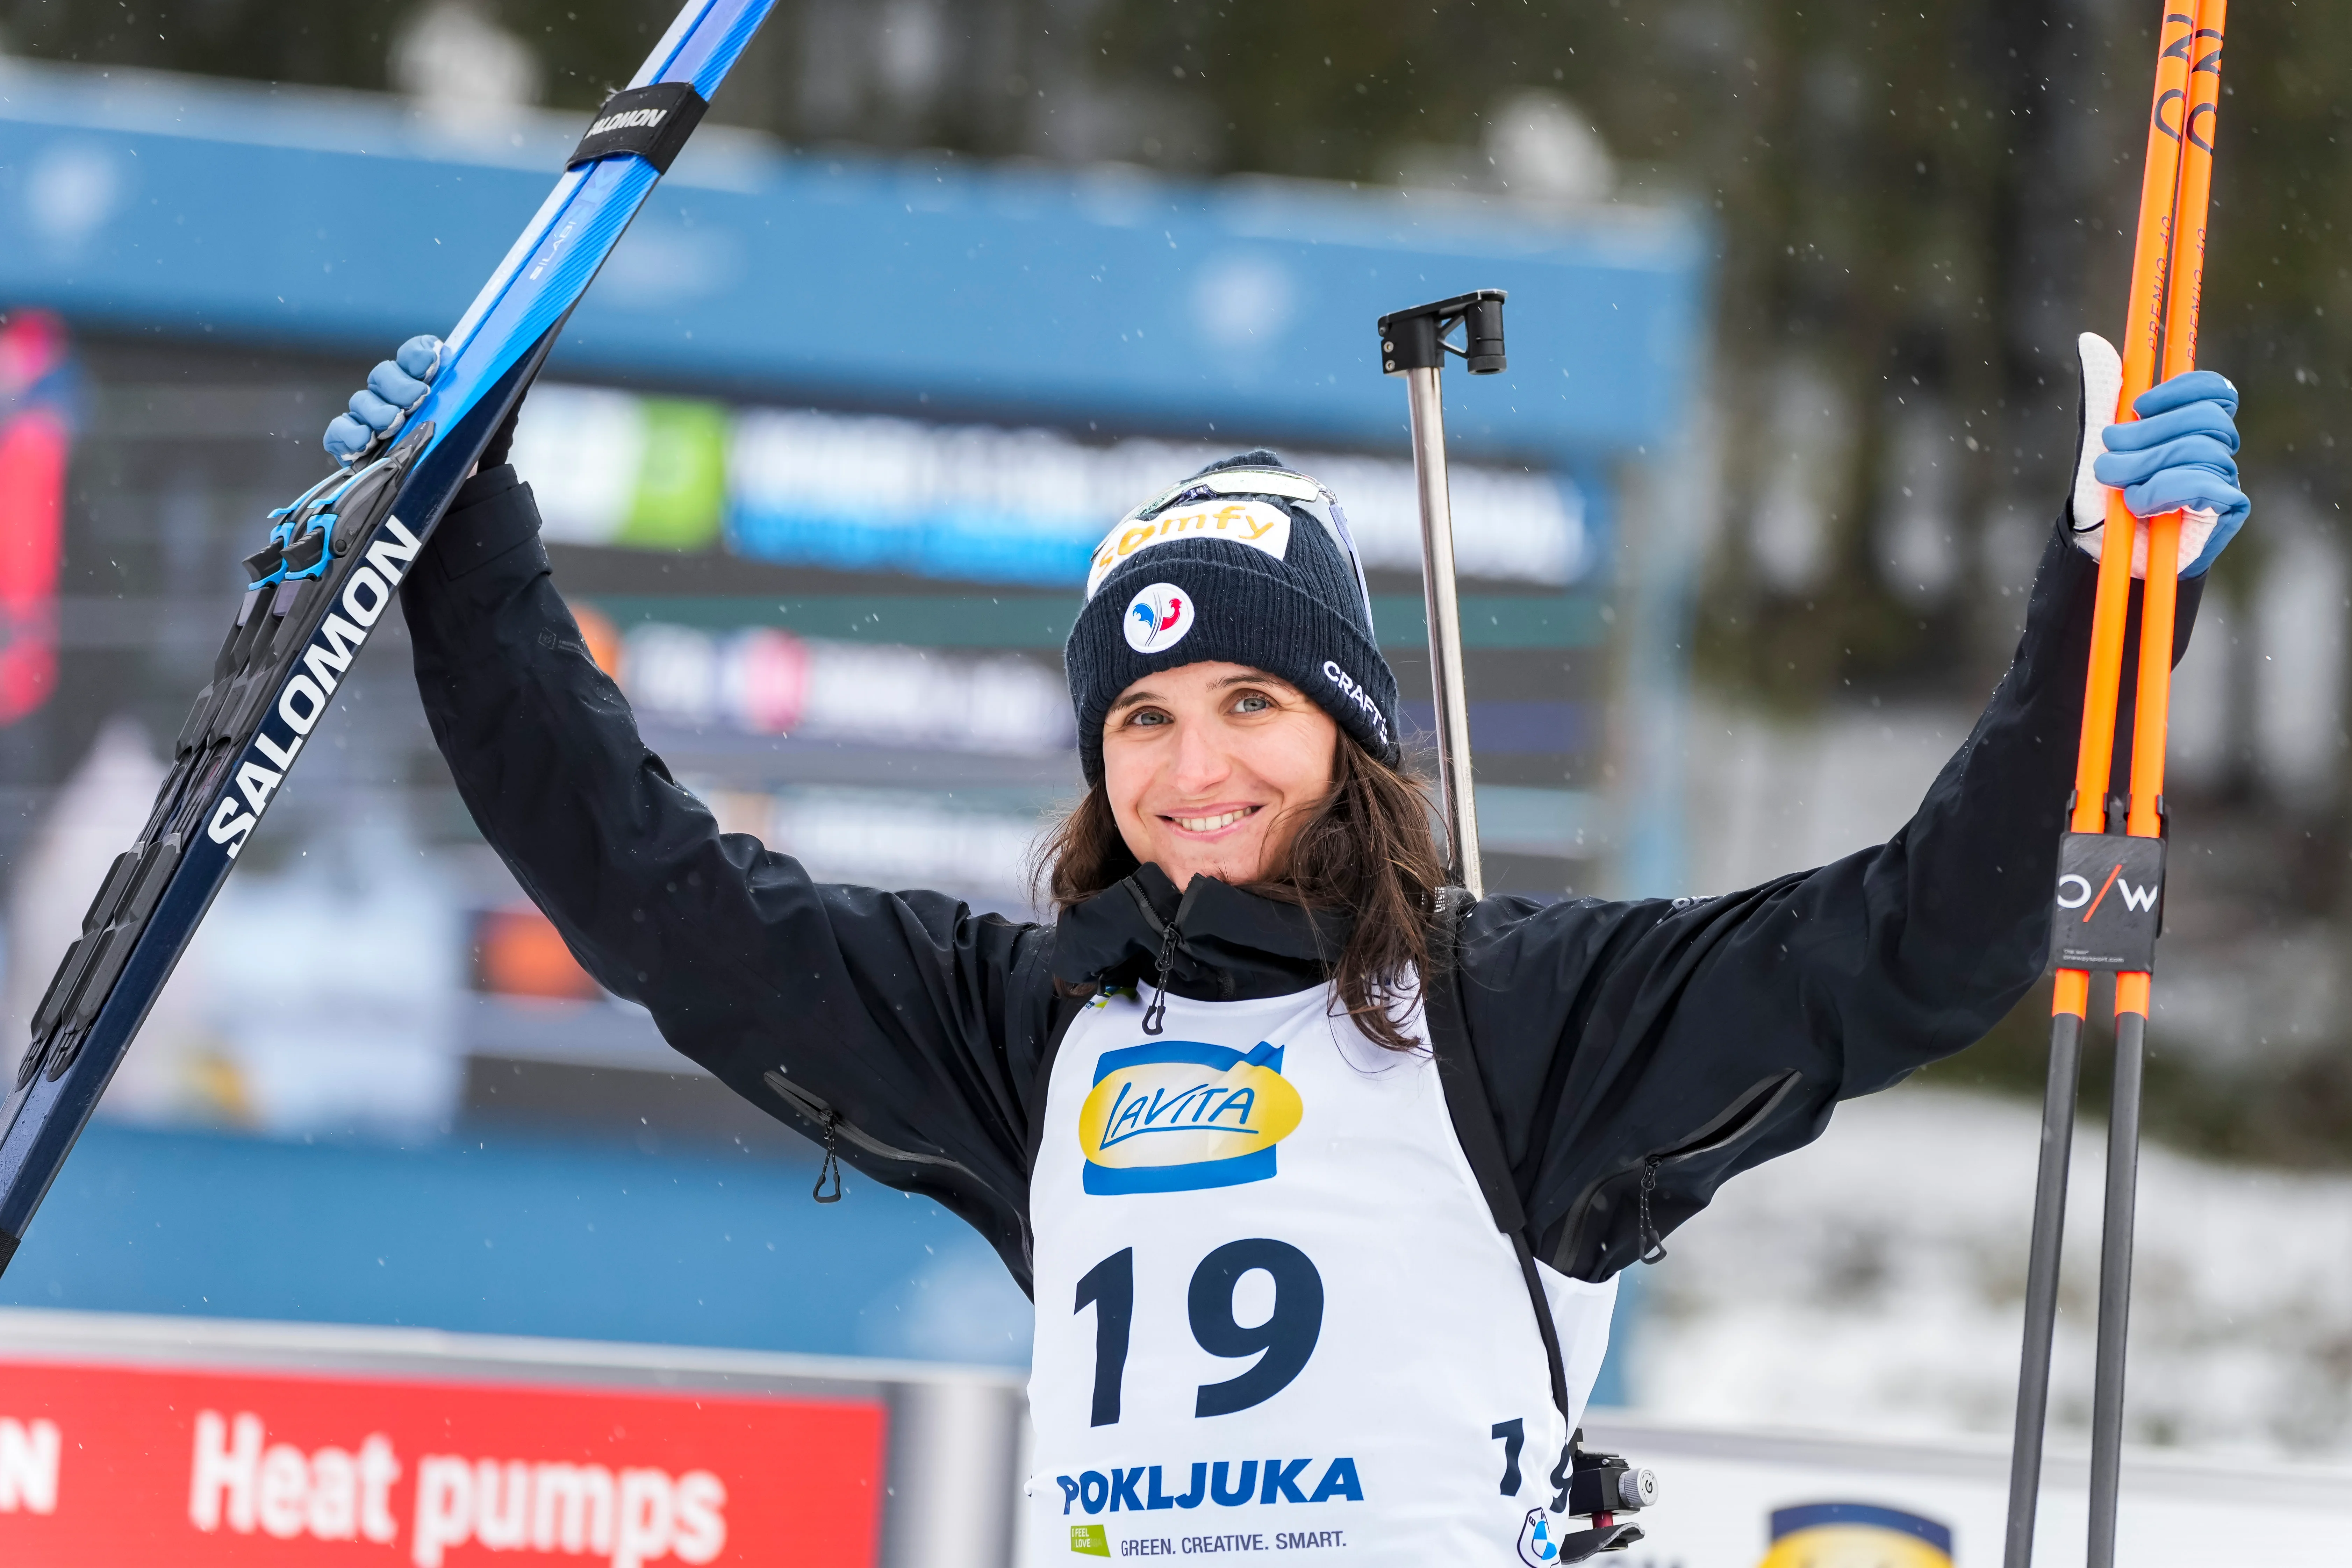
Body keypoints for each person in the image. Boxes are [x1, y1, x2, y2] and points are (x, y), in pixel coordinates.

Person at [328, 329, 2247, 1561]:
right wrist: (467, 544)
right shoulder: (1038, 1030)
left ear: (1348, 735)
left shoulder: (1511, 1016)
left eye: (1252, 703)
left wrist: (2106, 603)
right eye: (1144, 720)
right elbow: (658, 901)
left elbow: (1916, 944)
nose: (1197, 769)